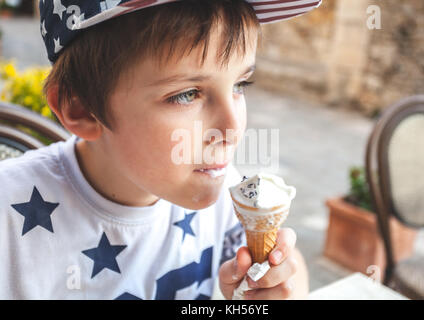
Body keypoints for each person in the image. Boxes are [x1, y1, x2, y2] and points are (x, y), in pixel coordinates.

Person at [0, 0, 321, 299]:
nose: (232, 129)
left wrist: (276, 283)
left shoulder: (228, 195)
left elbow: (291, 278)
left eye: (239, 85)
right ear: (81, 108)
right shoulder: (8, 223)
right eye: (187, 94)